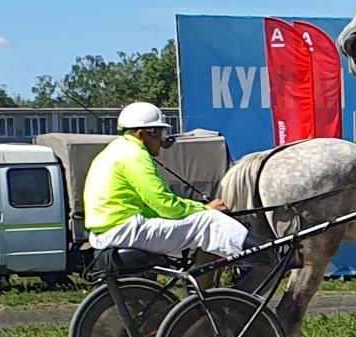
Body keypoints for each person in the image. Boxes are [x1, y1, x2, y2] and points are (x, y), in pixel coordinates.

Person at [84, 101, 248, 265]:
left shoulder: (115, 150)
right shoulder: (134, 155)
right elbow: (164, 204)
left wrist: (194, 209)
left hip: (110, 232)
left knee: (199, 221)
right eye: (160, 134)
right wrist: (206, 208)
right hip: (124, 231)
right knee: (210, 221)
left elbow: (155, 206)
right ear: (142, 134)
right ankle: (259, 258)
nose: (163, 142)